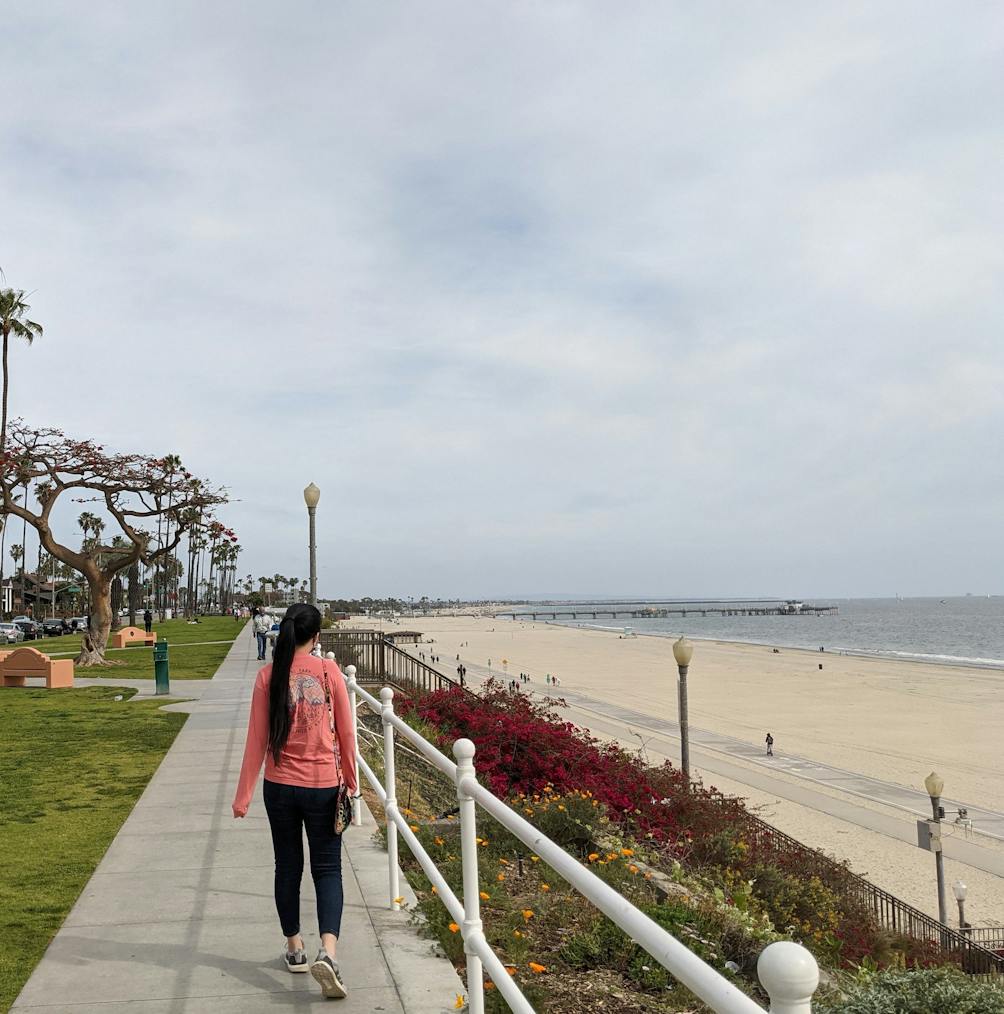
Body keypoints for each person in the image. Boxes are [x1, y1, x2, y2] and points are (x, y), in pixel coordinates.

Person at [232, 603, 358, 999]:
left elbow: (256, 739)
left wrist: (243, 796)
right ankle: (330, 952)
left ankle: (295, 949)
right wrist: (351, 780)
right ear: (316, 636)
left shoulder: (268, 677)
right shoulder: (329, 672)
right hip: (323, 787)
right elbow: (347, 732)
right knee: (327, 869)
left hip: (280, 787)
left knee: (287, 866)